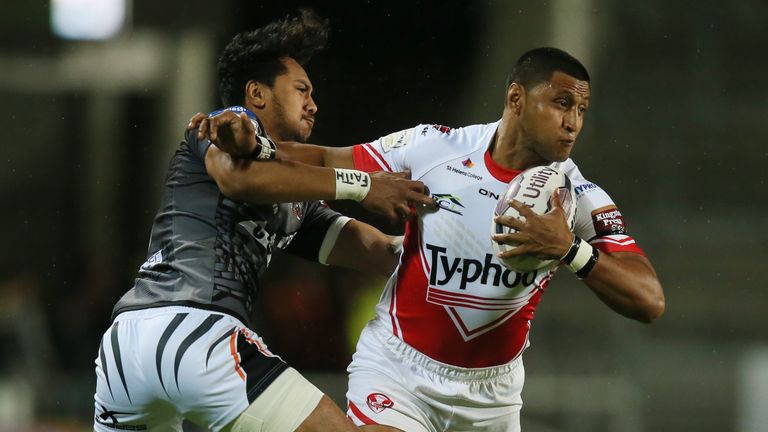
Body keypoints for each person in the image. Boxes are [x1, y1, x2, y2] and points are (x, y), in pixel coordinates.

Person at [195, 47, 665, 431]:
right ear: (516, 99)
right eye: (562, 103)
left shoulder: (576, 199)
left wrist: (570, 250)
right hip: (401, 369)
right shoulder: (435, 149)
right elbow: (322, 158)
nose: (574, 123)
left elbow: (649, 301)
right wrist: (251, 139)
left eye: (582, 109)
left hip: (492, 397)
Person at [92, 10, 433, 432]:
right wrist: (363, 185)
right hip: (196, 333)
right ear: (257, 93)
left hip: (124, 351)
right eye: (301, 89)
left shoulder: (293, 202)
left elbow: (382, 252)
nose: (313, 103)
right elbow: (238, 176)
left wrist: (466, 251)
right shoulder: (225, 124)